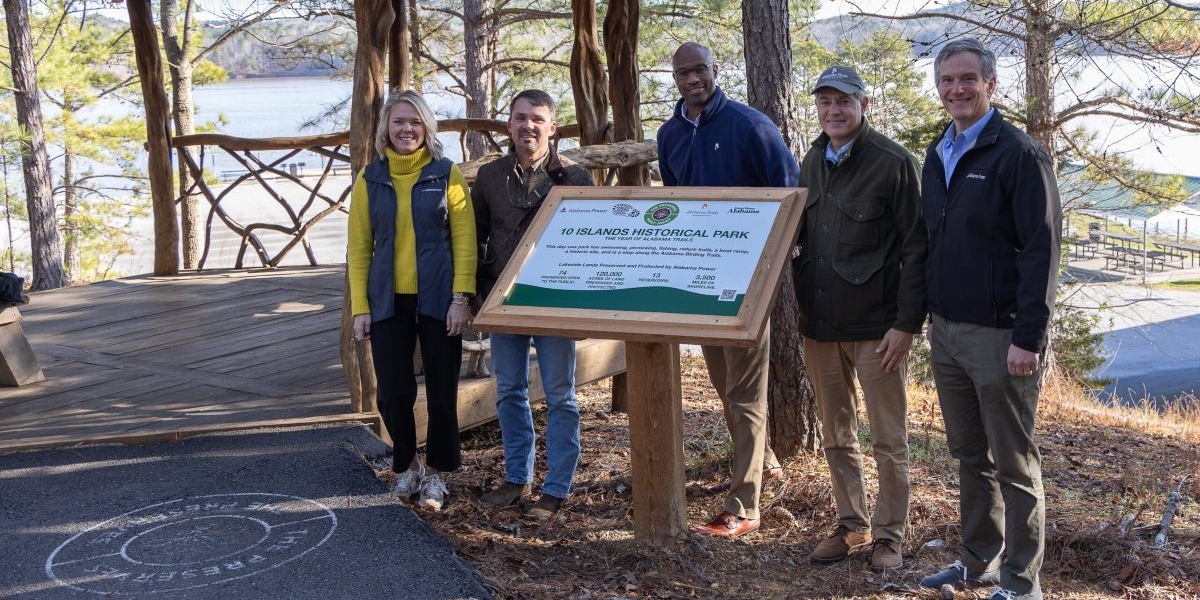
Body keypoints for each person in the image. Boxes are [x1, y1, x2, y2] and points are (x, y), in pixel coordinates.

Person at [918, 39, 1061, 600]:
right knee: (969, 456)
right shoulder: (939, 152)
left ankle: (1022, 584)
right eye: (947, 80)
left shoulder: (1019, 154)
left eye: (968, 79)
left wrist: (1028, 337)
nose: (956, 89)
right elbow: (934, 241)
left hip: (1002, 337)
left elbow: (1041, 251)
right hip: (947, 332)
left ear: (991, 85)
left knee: (1014, 464)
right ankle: (978, 560)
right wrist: (930, 316)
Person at [656, 41, 799, 539]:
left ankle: (744, 504)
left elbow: (790, 193)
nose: (693, 79)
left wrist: (772, 268)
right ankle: (765, 460)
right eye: (683, 73)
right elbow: (675, 202)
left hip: (749, 278)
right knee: (723, 383)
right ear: (675, 78)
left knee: (745, 392)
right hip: (701, 278)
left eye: (700, 70)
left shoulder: (751, 126)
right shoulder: (669, 134)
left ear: (715, 70)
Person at [793, 65, 926, 569]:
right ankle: (852, 524)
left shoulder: (893, 163)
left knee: (889, 439)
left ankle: (889, 536)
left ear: (863, 105)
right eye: (825, 101)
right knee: (836, 435)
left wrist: (906, 324)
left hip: (878, 331)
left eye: (843, 101)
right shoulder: (811, 160)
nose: (833, 110)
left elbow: (917, 249)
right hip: (821, 328)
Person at [347, 89, 476, 512]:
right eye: (399, 121)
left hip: (439, 299)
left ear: (427, 128)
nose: (407, 129)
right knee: (392, 393)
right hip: (387, 301)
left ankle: (437, 474)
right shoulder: (370, 179)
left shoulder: (445, 173)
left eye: (415, 121)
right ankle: (408, 465)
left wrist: (461, 298)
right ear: (386, 128)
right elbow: (359, 248)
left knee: (442, 390)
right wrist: (361, 307)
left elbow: (465, 241)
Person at [474, 89, 595, 519]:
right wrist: (473, 297)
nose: (529, 125)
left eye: (538, 119)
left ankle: (556, 487)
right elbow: (476, 238)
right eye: (521, 117)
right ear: (509, 124)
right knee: (509, 391)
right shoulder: (490, 177)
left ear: (552, 127)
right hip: (503, 299)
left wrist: (583, 306)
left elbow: (588, 245)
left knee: (561, 395)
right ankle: (516, 478)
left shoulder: (575, 178)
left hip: (553, 301)